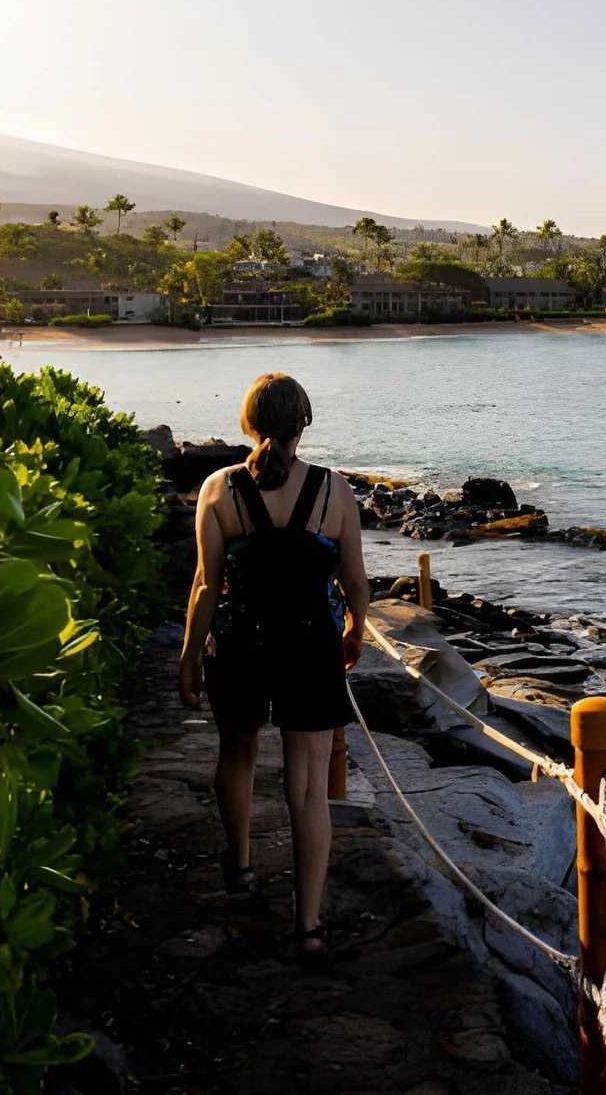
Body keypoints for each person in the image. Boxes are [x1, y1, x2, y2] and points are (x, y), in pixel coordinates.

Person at [177, 372, 368, 957]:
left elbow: (207, 584)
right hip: (310, 648)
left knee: (236, 755)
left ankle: (239, 868)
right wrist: (355, 629)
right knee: (308, 790)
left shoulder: (219, 490)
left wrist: (189, 655)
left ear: (249, 423)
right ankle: (308, 925)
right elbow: (356, 584)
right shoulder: (335, 493)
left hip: (239, 645)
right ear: (301, 425)